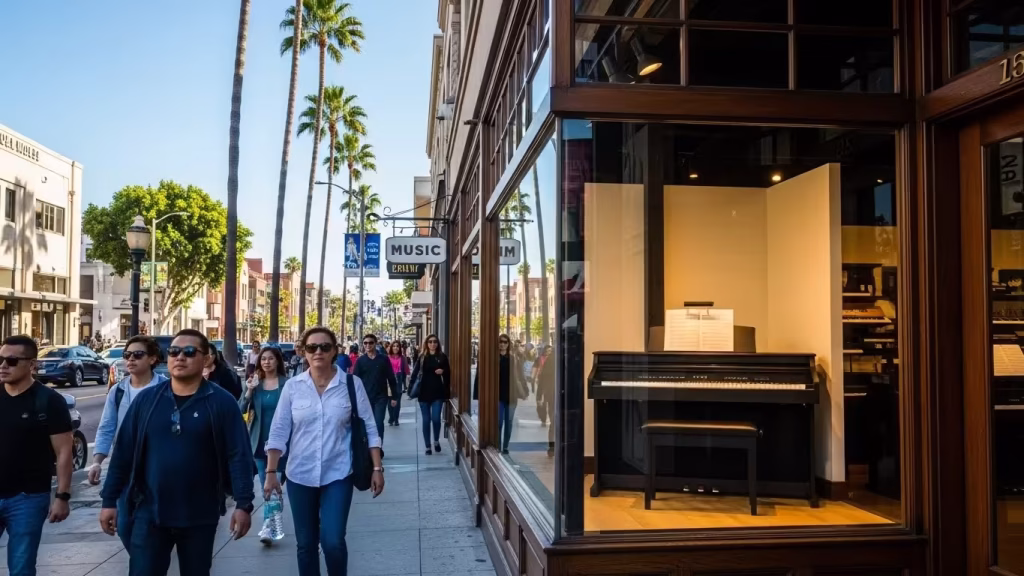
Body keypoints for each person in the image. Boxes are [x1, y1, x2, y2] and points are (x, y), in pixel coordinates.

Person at [99, 329, 255, 576]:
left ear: (206, 360)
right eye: (173, 351)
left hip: (199, 515)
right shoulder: (147, 401)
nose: (180, 357)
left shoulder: (221, 402)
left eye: (189, 352)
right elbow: (123, 453)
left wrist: (243, 504)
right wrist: (110, 500)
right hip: (149, 513)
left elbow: (238, 455)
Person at [264, 327, 384, 576]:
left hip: (338, 474)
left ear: (334, 351)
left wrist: (377, 468)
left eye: (324, 347)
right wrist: (271, 471)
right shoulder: (293, 387)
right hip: (299, 476)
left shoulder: (351, 384)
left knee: (333, 541)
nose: (318, 352)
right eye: (312, 347)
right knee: (306, 545)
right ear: (303, 352)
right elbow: (278, 431)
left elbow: (370, 428)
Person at [0, 335, 72, 575]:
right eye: (0, 359)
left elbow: (63, 452)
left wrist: (62, 497)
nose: (3, 366)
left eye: (11, 361)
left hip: (27, 498)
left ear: (31, 364)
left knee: (21, 566)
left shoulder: (49, 401)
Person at [88, 335, 167, 548]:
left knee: (156, 522)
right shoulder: (119, 391)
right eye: (127, 355)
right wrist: (97, 461)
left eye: (137, 355)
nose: (130, 359)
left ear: (152, 359)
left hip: (157, 467)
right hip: (126, 466)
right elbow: (106, 427)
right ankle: (145, 562)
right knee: (124, 525)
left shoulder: (166, 389)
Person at [239, 345, 287, 546]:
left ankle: (273, 517)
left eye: (270, 359)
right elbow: (240, 408)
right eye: (263, 359)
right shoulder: (254, 384)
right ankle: (270, 525)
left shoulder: (287, 384)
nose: (266, 362)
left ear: (277, 361)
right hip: (259, 442)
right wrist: (249, 390)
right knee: (266, 486)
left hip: (283, 444)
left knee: (276, 483)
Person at [473, 334, 528, 454]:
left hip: (511, 395)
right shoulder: (492, 358)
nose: (502, 344)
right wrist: (477, 393)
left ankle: (506, 447)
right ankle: (497, 445)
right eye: (500, 342)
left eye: (505, 342)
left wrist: (525, 391)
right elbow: (481, 375)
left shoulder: (514, 359)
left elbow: (520, 376)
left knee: (509, 422)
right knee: (498, 421)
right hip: (497, 395)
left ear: (508, 344)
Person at [353, 334, 398, 447]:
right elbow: (355, 381)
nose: (368, 345)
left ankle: (378, 448)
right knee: (366, 425)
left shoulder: (383, 359)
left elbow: (391, 378)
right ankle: (368, 449)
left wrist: (394, 396)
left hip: (381, 397)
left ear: (375, 344)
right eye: (365, 343)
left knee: (378, 424)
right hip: (365, 398)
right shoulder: (360, 361)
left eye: (370, 343)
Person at [410, 334, 450, 455]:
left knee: (436, 419)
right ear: (426, 344)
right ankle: (428, 445)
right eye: (430, 342)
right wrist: (410, 389)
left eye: (435, 342)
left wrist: (443, 371)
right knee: (426, 420)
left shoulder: (442, 357)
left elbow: (449, 374)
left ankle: (436, 440)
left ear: (437, 344)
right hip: (423, 393)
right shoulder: (422, 357)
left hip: (437, 393)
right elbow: (415, 372)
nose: (433, 344)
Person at [536, 345, 556, 456]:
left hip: (551, 394)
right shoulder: (555, 358)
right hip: (556, 394)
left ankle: (552, 447)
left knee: (553, 420)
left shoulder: (551, 358)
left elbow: (542, 378)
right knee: (556, 420)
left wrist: (539, 395)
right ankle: (554, 446)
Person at [386, 341, 409, 426]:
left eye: (397, 346)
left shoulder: (402, 358)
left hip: (399, 380)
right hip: (389, 380)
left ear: (400, 348)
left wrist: (406, 382)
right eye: (394, 346)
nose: (395, 348)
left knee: (397, 401)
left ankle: (396, 419)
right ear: (391, 347)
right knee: (390, 401)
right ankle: (391, 417)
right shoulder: (387, 358)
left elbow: (406, 371)